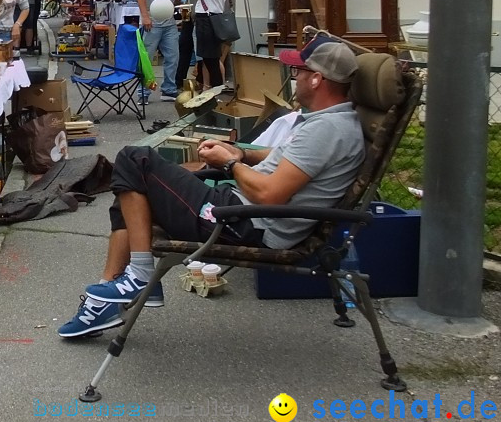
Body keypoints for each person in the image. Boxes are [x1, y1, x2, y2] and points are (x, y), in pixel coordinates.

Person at [58, 37, 364, 337]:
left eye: (300, 72)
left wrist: (230, 165)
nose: (294, 77)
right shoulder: (330, 122)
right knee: (131, 189)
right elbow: (288, 160)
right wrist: (241, 153)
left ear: (317, 80)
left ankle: (139, 275)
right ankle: (107, 300)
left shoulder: (327, 130)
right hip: (243, 210)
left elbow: (270, 194)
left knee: (133, 159)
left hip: (246, 222)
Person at [137, 0, 180, 102]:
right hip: (152, 23)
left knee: (173, 56)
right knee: (146, 58)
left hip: (169, 23)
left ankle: (168, 90)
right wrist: (145, 16)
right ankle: (143, 93)